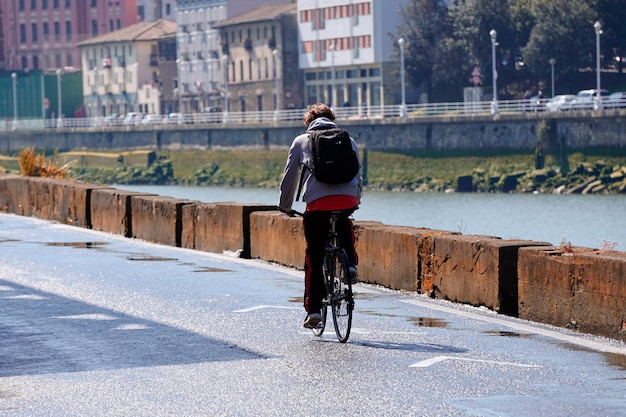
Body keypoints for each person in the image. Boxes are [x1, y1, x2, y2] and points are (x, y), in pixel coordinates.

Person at [278, 103, 363, 329]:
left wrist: (285, 206)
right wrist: (355, 200)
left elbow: (289, 180)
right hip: (347, 198)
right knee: (344, 219)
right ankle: (350, 265)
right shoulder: (348, 140)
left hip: (317, 204)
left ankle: (314, 310)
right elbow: (358, 175)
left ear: (308, 121)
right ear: (332, 119)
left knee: (314, 256)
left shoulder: (301, 141)